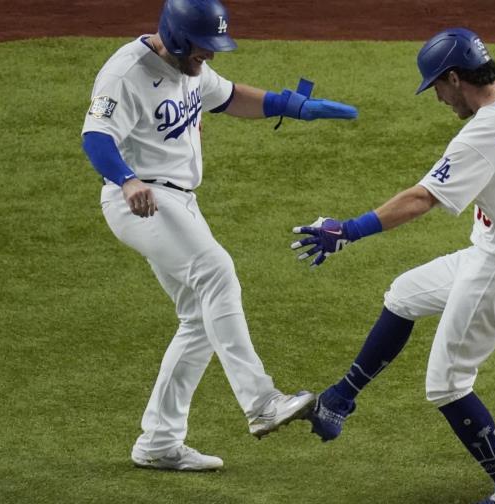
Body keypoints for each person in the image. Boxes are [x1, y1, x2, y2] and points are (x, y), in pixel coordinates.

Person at [290, 28, 495, 504]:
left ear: (455, 77)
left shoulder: (480, 134)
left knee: (447, 385)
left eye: (437, 87)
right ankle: (338, 400)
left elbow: (420, 199)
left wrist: (346, 229)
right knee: (404, 294)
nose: (438, 98)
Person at [81, 0, 357, 471]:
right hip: (141, 198)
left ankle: (159, 442)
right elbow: (96, 136)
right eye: (204, 47)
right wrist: (127, 180)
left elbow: (229, 97)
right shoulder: (126, 73)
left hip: (181, 202)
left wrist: (294, 106)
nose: (209, 56)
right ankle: (262, 402)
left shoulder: (189, 68)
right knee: (217, 274)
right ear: (178, 36)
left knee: (199, 319)